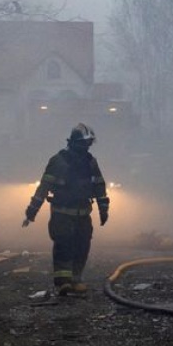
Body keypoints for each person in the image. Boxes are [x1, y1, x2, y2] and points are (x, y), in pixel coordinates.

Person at [23, 123, 110, 295]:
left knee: (82, 246)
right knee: (64, 246)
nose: (87, 147)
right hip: (61, 214)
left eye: (89, 143)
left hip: (83, 214)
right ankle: (63, 282)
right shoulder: (58, 161)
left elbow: (99, 186)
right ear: (75, 142)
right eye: (84, 143)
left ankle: (76, 279)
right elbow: (44, 187)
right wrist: (32, 210)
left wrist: (103, 208)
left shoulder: (91, 162)